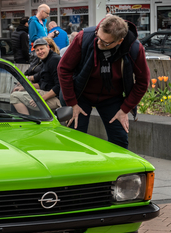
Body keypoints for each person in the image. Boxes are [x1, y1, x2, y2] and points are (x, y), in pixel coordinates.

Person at [57, 15, 150, 149]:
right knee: (74, 136)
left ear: (119, 41)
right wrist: (72, 103)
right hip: (80, 94)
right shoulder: (84, 37)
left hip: (112, 97)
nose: (98, 42)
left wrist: (125, 109)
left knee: (120, 139)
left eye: (105, 42)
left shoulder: (134, 48)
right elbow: (63, 68)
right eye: (98, 37)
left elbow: (142, 82)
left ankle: (119, 169)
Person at [10, 38, 61, 115]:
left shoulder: (54, 60)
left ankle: (28, 123)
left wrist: (40, 99)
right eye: (37, 50)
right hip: (46, 93)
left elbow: (59, 86)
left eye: (42, 49)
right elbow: (43, 84)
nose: (40, 52)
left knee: (15, 96)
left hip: (56, 99)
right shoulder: (46, 60)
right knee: (18, 91)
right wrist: (25, 87)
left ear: (48, 47)